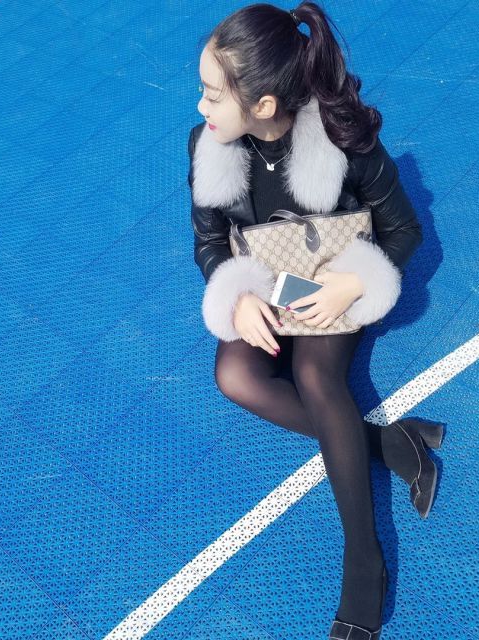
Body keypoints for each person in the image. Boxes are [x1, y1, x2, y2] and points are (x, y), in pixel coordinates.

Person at [187, 3, 446, 639]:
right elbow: (209, 241)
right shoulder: (208, 146)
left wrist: (354, 283)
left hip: (332, 282)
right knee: (235, 376)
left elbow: (404, 230)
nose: (202, 106)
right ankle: (391, 444)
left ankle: (364, 560)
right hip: (266, 280)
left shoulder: (343, 139)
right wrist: (236, 297)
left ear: (265, 104)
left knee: (314, 373)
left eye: (214, 94)